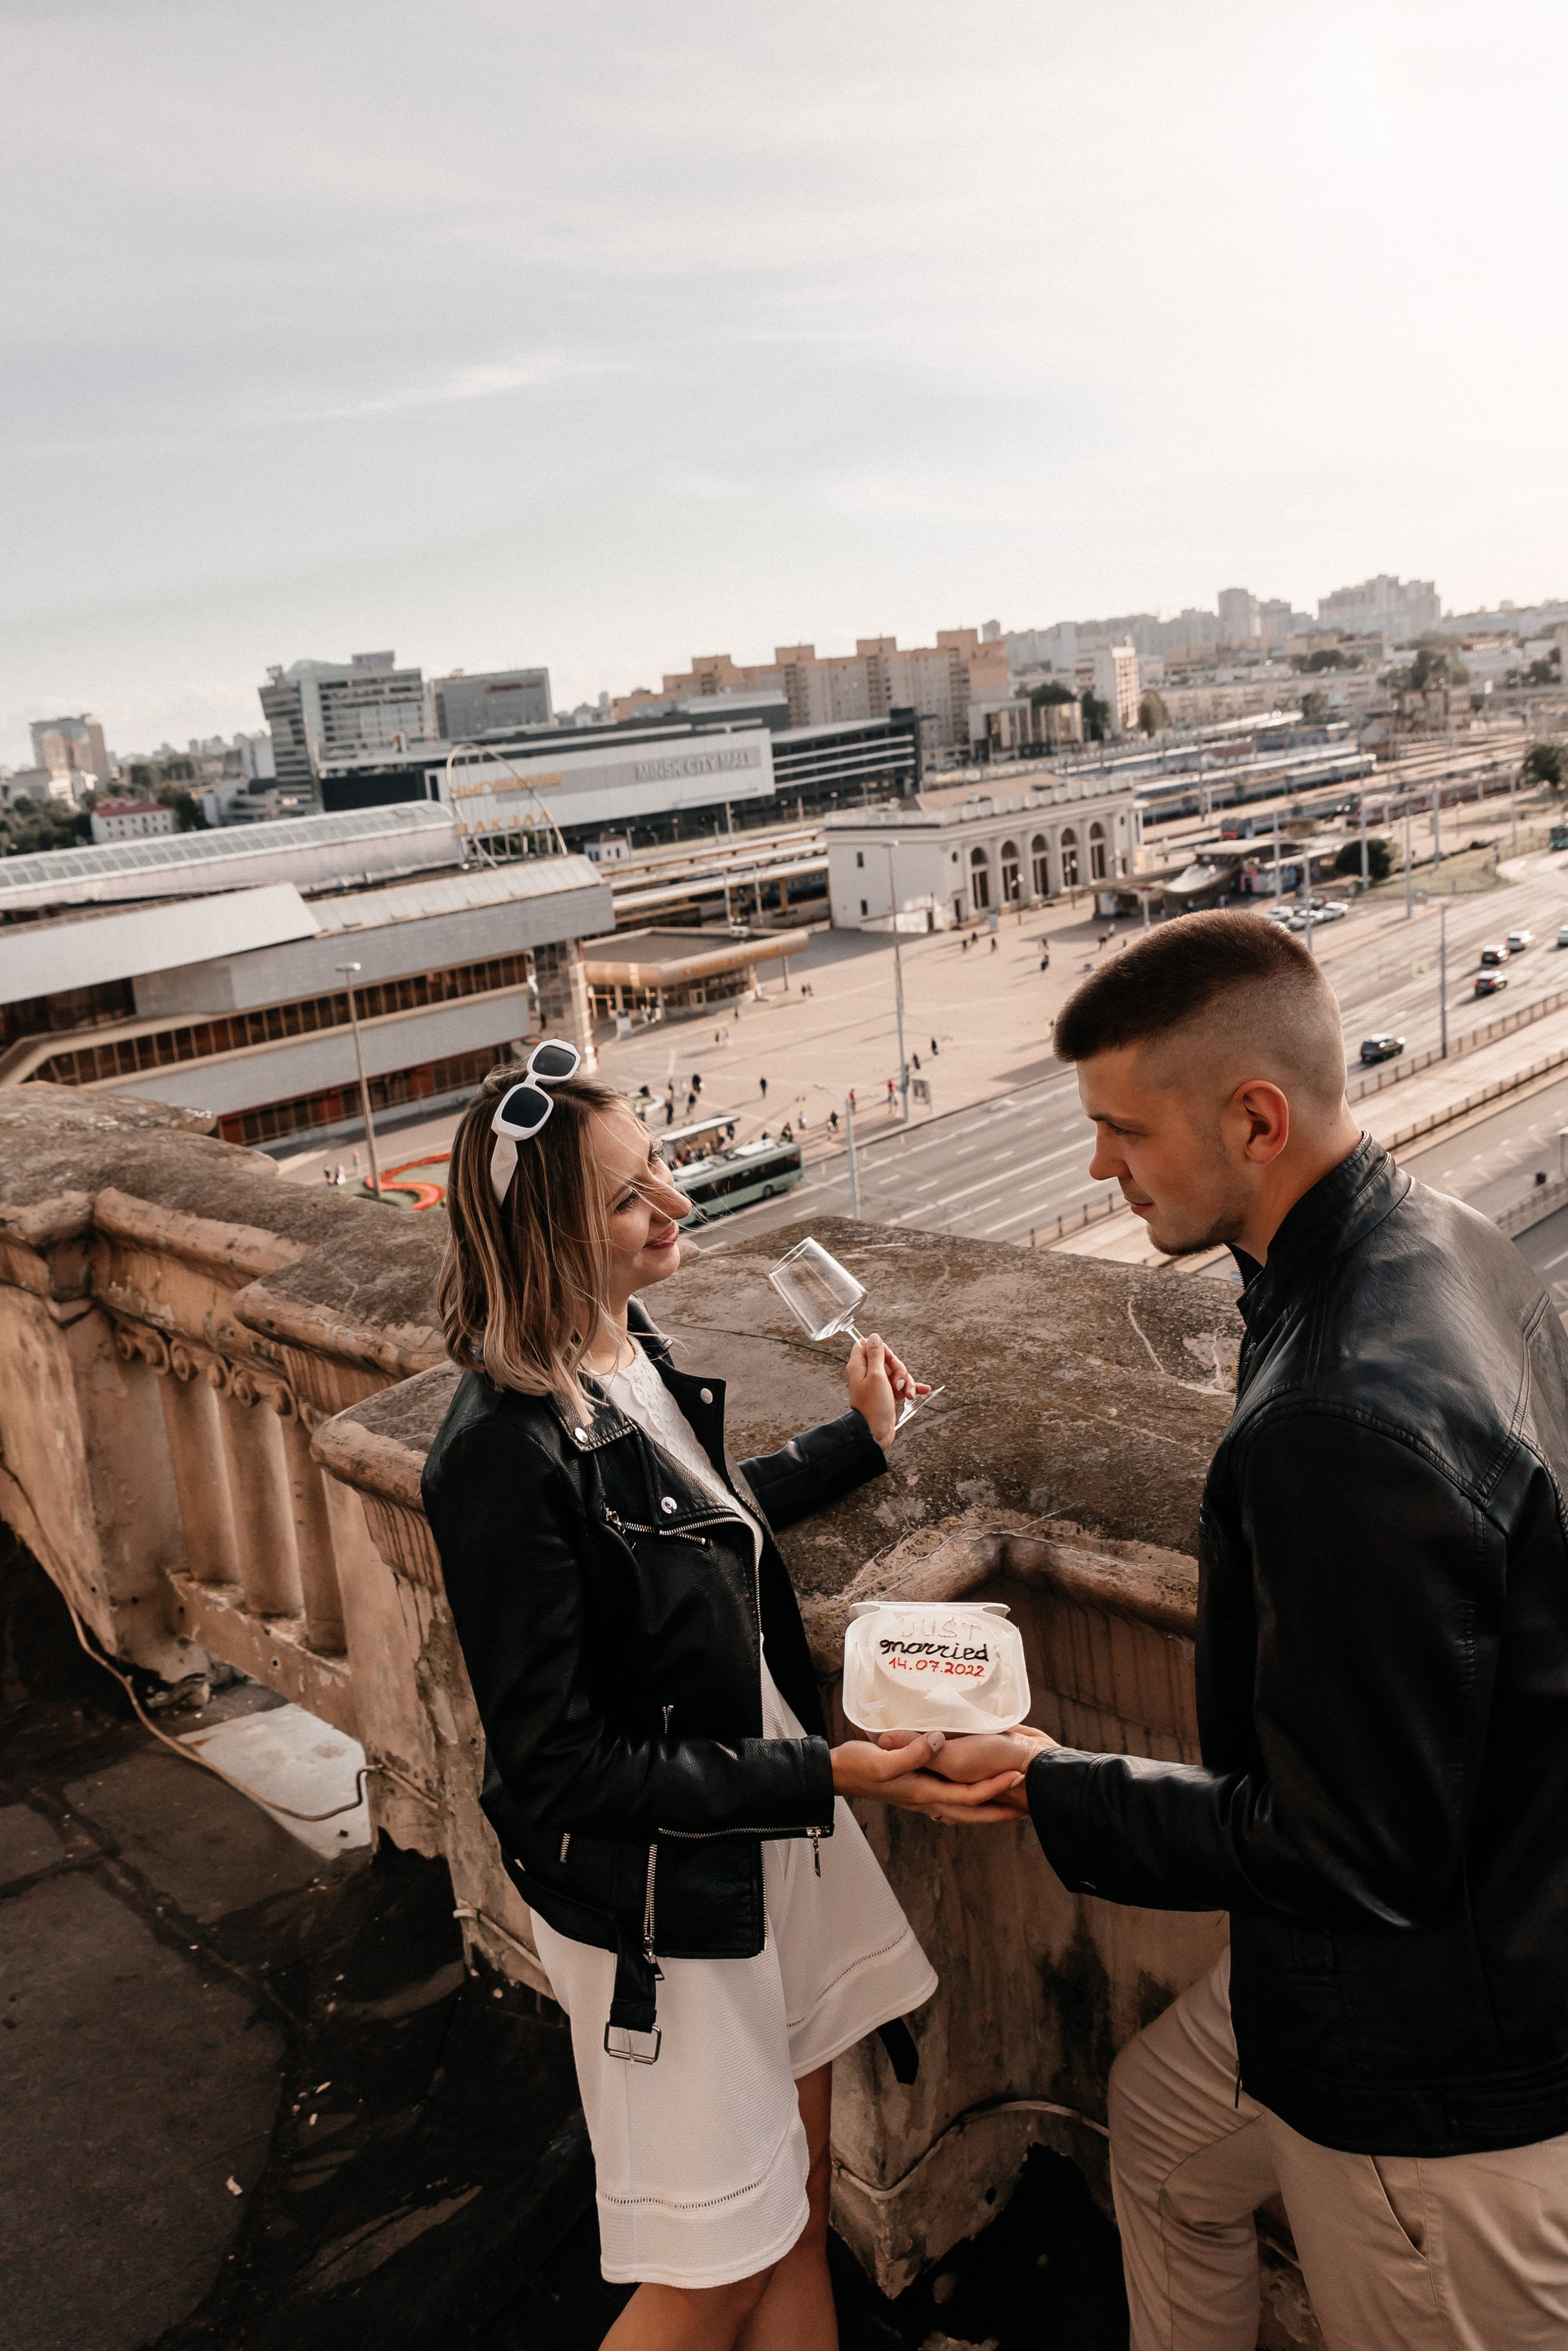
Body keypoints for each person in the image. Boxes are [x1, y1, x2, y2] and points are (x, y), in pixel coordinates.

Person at [930, 912, 1568, 2351]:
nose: (1099, 1168)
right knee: (1158, 2140)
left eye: (1120, 1132)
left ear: (1254, 1118)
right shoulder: (1442, 1238)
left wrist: (1048, 1784)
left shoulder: (1340, 1421)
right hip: (1421, 1964)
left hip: (1431, 2084)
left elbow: (1361, 1852)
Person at [422, 1046, 1015, 2345]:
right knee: (721, 2260)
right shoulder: (495, 1458)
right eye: (635, 1200)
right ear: (547, 1241)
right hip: (665, 1902)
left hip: (747, 1839)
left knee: (792, 2207)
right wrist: (836, 1774)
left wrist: (855, 1442)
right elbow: (559, 1769)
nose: (678, 1210)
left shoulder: (623, 1347)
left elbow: (695, 1519)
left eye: (664, 1173)